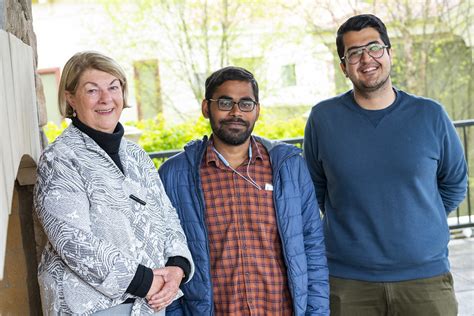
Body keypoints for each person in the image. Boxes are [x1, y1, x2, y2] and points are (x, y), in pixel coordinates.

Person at [304, 14, 468, 316]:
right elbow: (314, 189)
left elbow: (455, 183)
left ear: (389, 53)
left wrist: (418, 217)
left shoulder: (430, 115)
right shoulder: (323, 119)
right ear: (344, 66)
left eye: (375, 48)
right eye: (354, 53)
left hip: (425, 280)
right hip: (349, 283)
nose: (366, 59)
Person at [158, 66, 329, 315]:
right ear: (206, 108)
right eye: (225, 103)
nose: (236, 112)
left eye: (246, 103)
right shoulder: (175, 175)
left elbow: (312, 246)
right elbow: (164, 256)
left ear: (257, 110)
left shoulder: (288, 167)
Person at [34, 51, 194, 315]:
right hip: (92, 307)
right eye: (92, 90)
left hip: (147, 306)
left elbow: (167, 217)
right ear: (71, 98)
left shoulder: (136, 155)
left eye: (113, 87)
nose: (106, 98)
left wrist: (177, 268)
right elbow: (72, 240)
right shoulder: (60, 158)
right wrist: (145, 281)